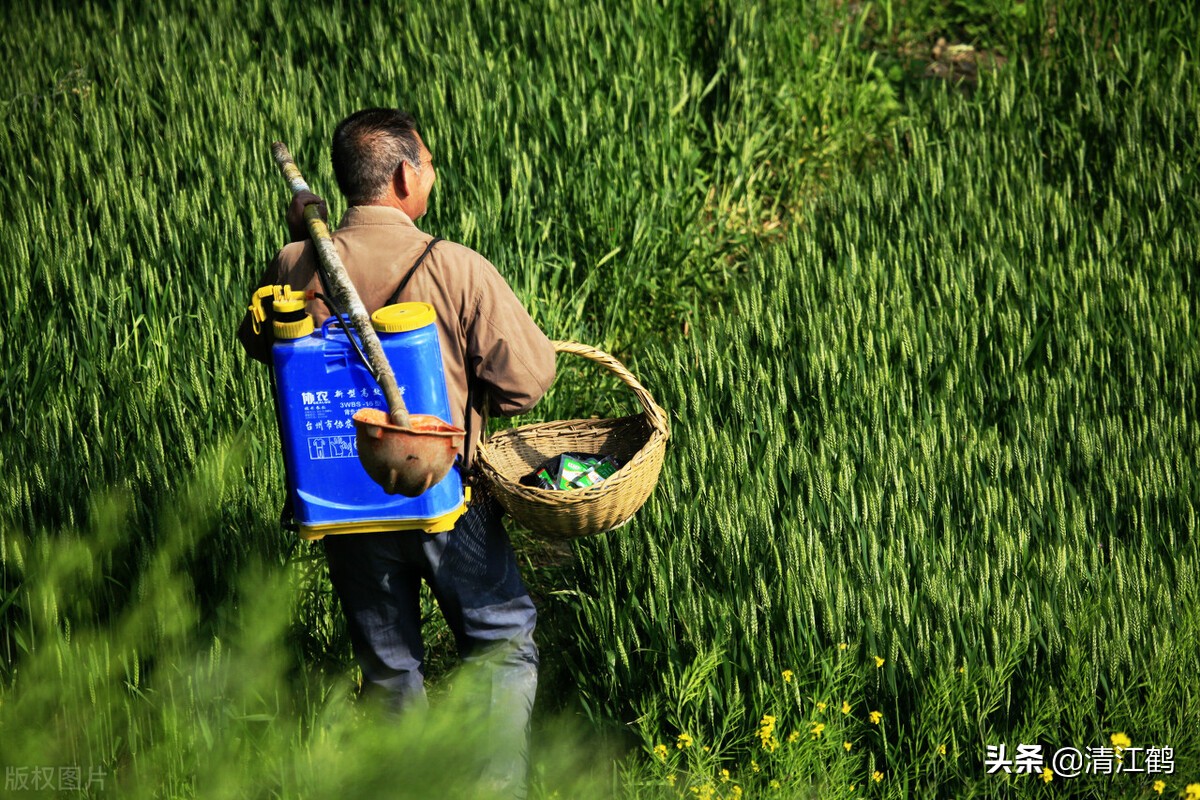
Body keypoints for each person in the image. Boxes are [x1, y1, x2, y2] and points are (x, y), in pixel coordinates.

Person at [237, 108, 556, 797]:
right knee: (499, 644)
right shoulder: (454, 266)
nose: (431, 175)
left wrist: (300, 248)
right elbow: (528, 381)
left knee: (388, 669)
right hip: (447, 498)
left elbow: (265, 344)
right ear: (407, 174)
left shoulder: (295, 264)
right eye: (430, 164)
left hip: (346, 503)